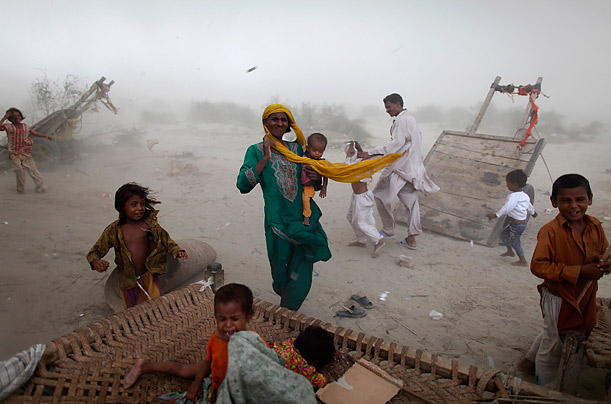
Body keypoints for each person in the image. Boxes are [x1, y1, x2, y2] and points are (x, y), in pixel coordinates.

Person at [516, 174, 609, 388]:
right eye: (566, 200)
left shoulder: (596, 226)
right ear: (554, 202)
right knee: (553, 344)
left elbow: (602, 255)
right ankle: (545, 387)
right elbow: (538, 266)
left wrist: (604, 265)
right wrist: (580, 271)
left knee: (559, 331)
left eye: (580, 200)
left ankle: (527, 364)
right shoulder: (550, 231)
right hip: (558, 296)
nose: (574, 206)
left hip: (585, 295)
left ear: (590, 199)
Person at [237, 104, 331, 311]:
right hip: (277, 221)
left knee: (302, 266)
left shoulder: (297, 149)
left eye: (283, 119)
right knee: (279, 269)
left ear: (289, 124)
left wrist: (316, 179)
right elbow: (243, 184)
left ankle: (288, 310)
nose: (279, 123)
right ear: (265, 123)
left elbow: (310, 181)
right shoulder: (255, 150)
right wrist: (265, 158)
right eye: (274, 119)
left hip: (303, 220)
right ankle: (285, 292)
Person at [122, 283, 264, 403]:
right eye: (222, 319)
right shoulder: (217, 337)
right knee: (184, 370)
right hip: (215, 378)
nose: (228, 325)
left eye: (234, 319)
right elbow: (209, 361)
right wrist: (197, 382)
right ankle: (145, 366)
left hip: (234, 392)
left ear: (249, 316)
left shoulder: (254, 343)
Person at [358, 93, 439, 250]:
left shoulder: (402, 120)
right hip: (413, 168)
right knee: (411, 202)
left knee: (380, 195)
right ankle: (412, 239)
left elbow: (395, 144)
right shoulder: (411, 119)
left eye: (388, 107)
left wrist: (370, 153)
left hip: (399, 168)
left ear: (397, 104)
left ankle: (388, 230)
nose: (387, 111)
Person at [87, 182, 187, 309]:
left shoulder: (149, 226)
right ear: (122, 207)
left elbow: (166, 240)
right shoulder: (114, 231)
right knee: (133, 312)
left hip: (149, 276)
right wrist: (96, 261)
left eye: (142, 204)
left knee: (157, 307)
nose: (140, 208)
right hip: (128, 280)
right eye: (134, 204)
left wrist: (176, 250)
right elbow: (95, 251)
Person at [487, 169, 538, 267]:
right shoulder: (524, 195)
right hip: (519, 224)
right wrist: (533, 213)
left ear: (514, 184)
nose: (507, 186)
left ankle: (523, 261)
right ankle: (510, 251)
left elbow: (507, 208)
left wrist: (495, 215)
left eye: (508, 183)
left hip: (517, 225)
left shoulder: (513, 197)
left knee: (516, 242)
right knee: (504, 234)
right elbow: (529, 206)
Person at [345, 141, 385, 258]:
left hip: (363, 198)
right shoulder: (355, 162)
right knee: (350, 217)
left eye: (350, 152)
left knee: (360, 221)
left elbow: (347, 168)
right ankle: (361, 240)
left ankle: (378, 241)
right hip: (356, 196)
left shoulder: (363, 164)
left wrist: (350, 154)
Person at [1, 107, 53, 193]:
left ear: (21, 116)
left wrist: (46, 136)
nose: (17, 118)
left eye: (19, 115)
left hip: (26, 153)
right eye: (14, 116)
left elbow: (35, 133)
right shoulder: (8, 127)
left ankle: (40, 187)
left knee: (34, 171)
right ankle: (20, 189)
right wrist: (4, 117)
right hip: (14, 154)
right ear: (10, 118)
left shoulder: (25, 126)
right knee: (19, 171)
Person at [302, 133, 329, 226]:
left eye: (320, 151)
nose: (317, 153)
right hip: (299, 185)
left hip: (309, 186)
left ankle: (306, 217)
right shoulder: (302, 157)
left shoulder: (321, 162)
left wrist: (324, 188)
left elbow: (326, 175)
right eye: (314, 150)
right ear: (308, 148)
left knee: (306, 200)